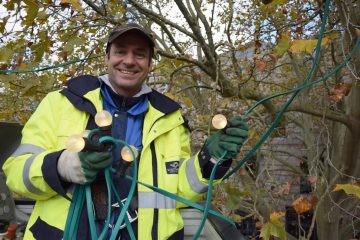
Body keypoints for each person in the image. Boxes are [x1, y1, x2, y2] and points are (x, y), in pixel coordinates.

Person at [3, 23, 249, 240]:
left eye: (140, 54)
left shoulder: (169, 119)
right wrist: (61, 166)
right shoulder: (61, 103)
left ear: (150, 64)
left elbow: (177, 189)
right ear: (107, 57)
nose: (129, 61)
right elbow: (16, 174)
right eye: (121, 51)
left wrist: (210, 159)